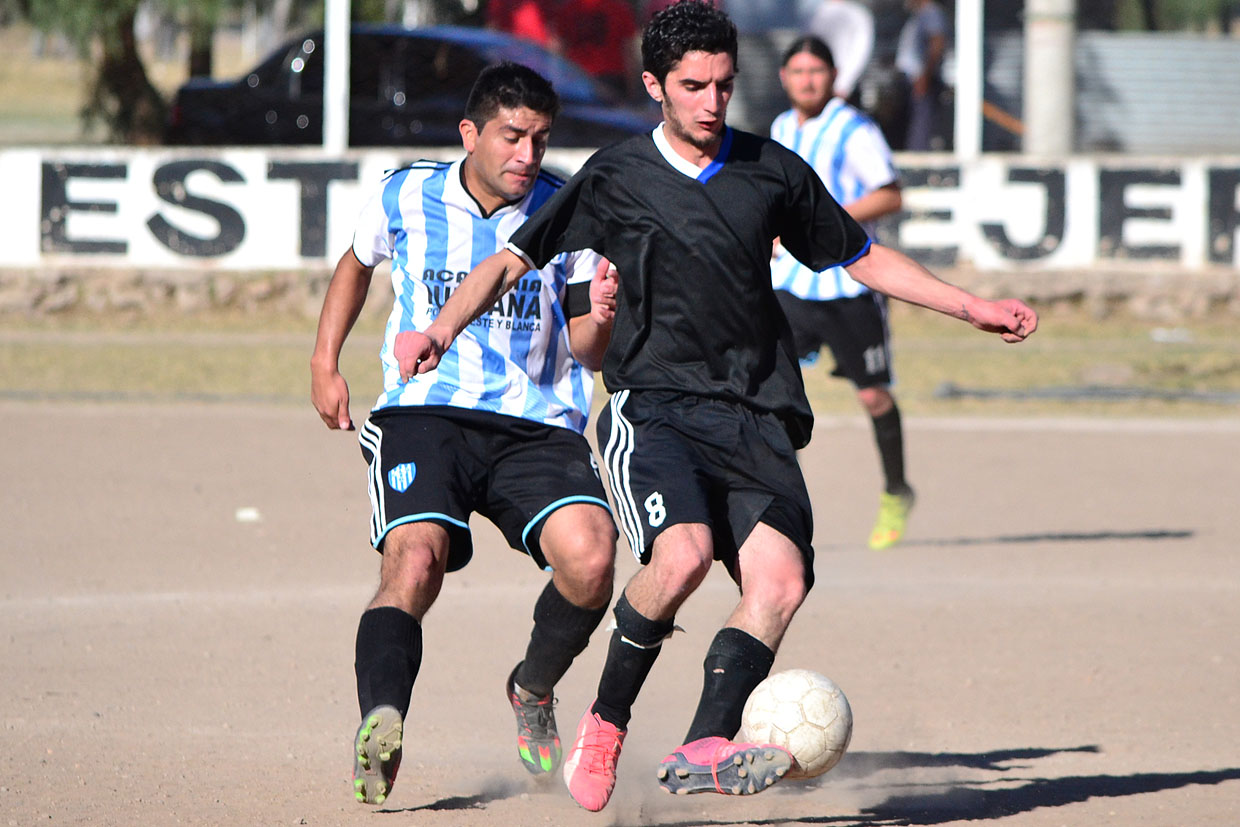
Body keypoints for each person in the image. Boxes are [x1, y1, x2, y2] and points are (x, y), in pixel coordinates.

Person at [397, 0, 1037, 812]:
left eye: (724, 85)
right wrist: (441, 329)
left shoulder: (771, 172)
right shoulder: (616, 174)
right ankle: (606, 719)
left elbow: (866, 257)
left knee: (781, 579)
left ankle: (704, 740)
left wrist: (968, 305)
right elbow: (512, 259)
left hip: (758, 414)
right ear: (655, 85)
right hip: (654, 407)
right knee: (684, 556)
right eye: (693, 85)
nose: (711, 102)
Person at [309, 61, 620, 806]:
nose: (527, 155)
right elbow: (356, 266)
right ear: (470, 133)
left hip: (537, 423)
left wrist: (602, 318)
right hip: (424, 410)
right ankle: (382, 720)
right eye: (512, 136)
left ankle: (532, 685)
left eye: (540, 140)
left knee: (593, 559)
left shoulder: (569, 206)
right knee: (416, 562)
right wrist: (325, 362)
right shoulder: (405, 192)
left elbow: (585, 350)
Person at [771, 35, 913, 550]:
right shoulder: (781, 129)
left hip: (849, 286)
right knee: (773, 395)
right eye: (798, 71)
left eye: (816, 71)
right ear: (784, 78)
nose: (807, 80)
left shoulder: (854, 129)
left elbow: (890, 193)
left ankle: (897, 490)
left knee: (873, 396)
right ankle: (775, 504)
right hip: (791, 285)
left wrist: (825, 222)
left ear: (833, 77)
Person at [552, 0, 641, 102]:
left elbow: (559, 50)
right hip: (611, 79)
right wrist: (632, 86)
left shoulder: (568, 9)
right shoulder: (618, 9)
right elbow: (629, 52)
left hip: (577, 79)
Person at [895, 0, 948, 150]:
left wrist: (925, 75)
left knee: (921, 126)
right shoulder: (919, 15)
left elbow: (936, 45)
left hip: (921, 79)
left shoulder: (932, 13)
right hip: (913, 79)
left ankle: (917, 162)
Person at [803, 0, 874, 103]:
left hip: (846, 89)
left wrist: (844, 84)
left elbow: (860, 52)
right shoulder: (814, 14)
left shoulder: (857, 15)